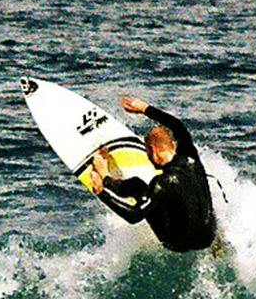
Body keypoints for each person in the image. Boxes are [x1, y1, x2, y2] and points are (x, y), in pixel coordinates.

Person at [84, 96, 220, 254]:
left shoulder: (161, 184)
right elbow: (177, 126)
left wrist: (101, 192)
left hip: (178, 243)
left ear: (153, 150)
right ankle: (218, 243)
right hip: (208, 236)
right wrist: (144, 108)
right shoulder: (190, 156)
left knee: (137, 186)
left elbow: (134, 215)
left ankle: (106, 177)